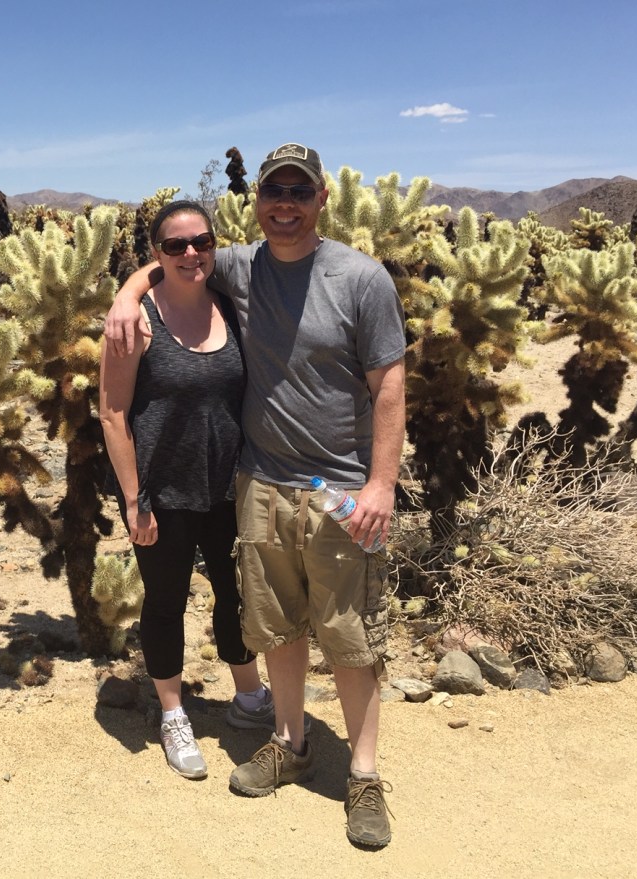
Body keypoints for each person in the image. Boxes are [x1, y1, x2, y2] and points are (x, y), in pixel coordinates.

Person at [104, 144, 406, 847]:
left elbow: (389, 385)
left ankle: (362, 773)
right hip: (263, 482)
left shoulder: (362, 279)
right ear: (258, 199)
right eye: (275, 190)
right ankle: (290, 739)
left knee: (352, 635)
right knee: (280, 626)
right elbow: (172, 259)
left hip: (339, 489)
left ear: (322, 197)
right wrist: (126, 293)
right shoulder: (239, 265)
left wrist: (382, 483)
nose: (287, 203)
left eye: (300, 191)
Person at [98, 200, 272, 780]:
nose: (190, 253)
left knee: (236, 592)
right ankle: (173, 711)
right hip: (163, 491)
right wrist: (133, 497)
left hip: (230, 485)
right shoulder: (137, 321)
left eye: (201, 242)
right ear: (157, 254)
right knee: (167, 600)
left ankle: (248, 694)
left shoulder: (230, 304)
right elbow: (112, 411)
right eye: (175, 246)